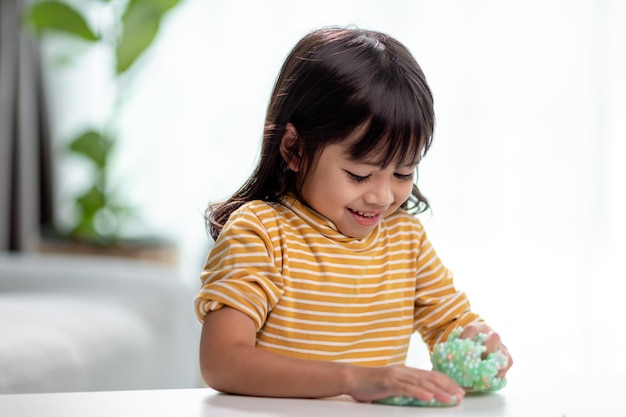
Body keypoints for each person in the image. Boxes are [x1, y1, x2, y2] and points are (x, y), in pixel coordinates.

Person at [194, 25, 513, 405]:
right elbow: (222, 361)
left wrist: (479, 346)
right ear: (294, 149)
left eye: (403, 173)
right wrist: (354, 379)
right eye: (359, 174)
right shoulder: (260, 233)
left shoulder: (406, 241)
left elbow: (452, 325)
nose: (381, 196)